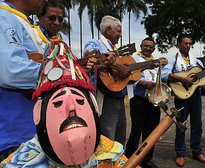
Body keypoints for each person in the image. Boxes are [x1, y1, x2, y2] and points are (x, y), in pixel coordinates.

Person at [0, 37, 128, 168]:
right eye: (58, 103)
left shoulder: (111, 154)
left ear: (94, 105)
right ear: (38, 112)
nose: (72, 107)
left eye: (79, 101)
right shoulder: (19, 163)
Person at [0, 0, 48, 161]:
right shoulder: (3, 17)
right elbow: (11, 71)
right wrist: (59, 72)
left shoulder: (20, 21)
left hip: (29, 131)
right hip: (13, 135)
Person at [162, 33, 205, 167]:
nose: (188, 45)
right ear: (178, 45)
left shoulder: (196, 61)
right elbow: (165, 75)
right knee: (181, 125)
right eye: (185, 43)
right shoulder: (173, 59)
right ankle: (181, 153)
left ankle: (196, 151)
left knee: (197, 125)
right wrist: (183, 79)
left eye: (190, 43)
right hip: (181, 96)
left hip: (195, 96)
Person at [84, 15, 130, 146]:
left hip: (120, 99)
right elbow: (90, 53)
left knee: (120, 138)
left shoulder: (116, 50)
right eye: (118, 30)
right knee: (107, 139)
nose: (120, 35)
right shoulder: (96, 43)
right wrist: (113, 64)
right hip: (106, 99)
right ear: (108, 30)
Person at [125, 37, 160, 168]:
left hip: (153, 101)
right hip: (139, 100)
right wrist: (143, 83)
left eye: (151, 47)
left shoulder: (156, 63)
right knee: (136, 131)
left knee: (151, 133)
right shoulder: (134, 59)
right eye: (146, 46)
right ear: (141, 46)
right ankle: (128, 158)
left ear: (154, 49)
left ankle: (146, 160)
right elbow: (129, 77)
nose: (148, 49)